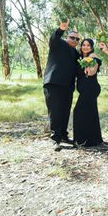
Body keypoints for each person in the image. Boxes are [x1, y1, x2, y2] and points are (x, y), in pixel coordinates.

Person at [43, 19, 79, 151]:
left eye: (77, 39)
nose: (75, 40)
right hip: (53, 83)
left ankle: (63, 135)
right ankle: (55, 139)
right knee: (55, 112)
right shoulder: (58, 44)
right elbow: (54, 38)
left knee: (65, 111)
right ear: (67, 37)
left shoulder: (75, 52)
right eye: (72, 37)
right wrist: (61, 29)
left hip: (68, 86)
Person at [73, 38, 103, 147]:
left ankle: (81, 141)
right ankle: (93, 140)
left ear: (91, 47)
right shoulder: (80, 58)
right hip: (84, 89)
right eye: (83, 45)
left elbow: (91, 72)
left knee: (78, 111)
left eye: (88, 45)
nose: (85, 47)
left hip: (91, 88)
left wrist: (88, 63)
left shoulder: (93, 57)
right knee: (90, 112)